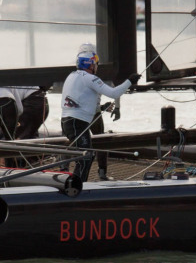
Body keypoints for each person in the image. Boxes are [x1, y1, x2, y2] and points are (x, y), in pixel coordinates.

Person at [60, 47, 140, 181]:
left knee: (85, 155)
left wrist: (101, 107)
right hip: (77, 122)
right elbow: (114, 93)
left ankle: (74, 182)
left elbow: (80, 98)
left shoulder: (71, 75)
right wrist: (130, 81)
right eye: (95, 63)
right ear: (90, 65)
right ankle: (77, 187)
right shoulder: (91, 78)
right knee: (86, 156)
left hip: (67, 121)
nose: (97, 66)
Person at [7, 86, 49, 167]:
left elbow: (16, 109)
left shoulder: (4, 88)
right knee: (29, 134)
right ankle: (32, 162)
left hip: (32, 103)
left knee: (18, 137)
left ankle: (18, 165)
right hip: (42, 102)